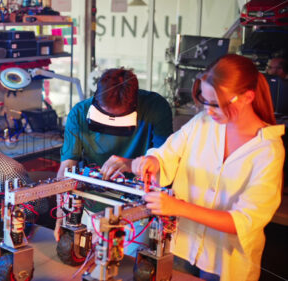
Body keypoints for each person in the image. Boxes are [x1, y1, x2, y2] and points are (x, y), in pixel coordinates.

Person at [107, 54, 284, 281]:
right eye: (206, 102)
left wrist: (178, 207)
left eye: (217, 104)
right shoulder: (202, 124)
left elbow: (244, 221)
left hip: (225, 262)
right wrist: (152, 161)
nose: (209, 111)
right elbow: (167, 154)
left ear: (248, 97)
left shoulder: (267, 150)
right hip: (181, 248)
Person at [55, 67, 173, 248]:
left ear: (134, 104)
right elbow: (67, 167)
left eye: (119, 118)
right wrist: (61, 215)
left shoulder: (155, 108)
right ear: (96, 98)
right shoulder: (80, 113)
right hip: (90, 207)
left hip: (135, 213)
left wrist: (132, 164)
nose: (111, 121)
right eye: (104, 115)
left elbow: (165, 161)